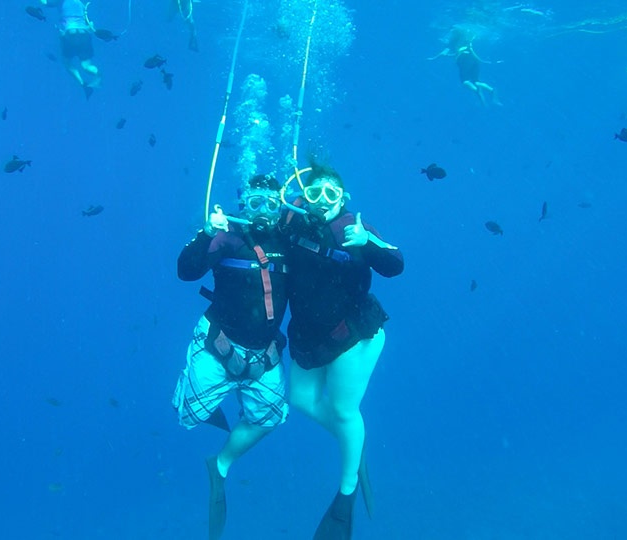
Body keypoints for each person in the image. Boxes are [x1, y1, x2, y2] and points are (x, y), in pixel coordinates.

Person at [279, 163, 404, 539]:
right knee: (300, 399)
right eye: (315, 193)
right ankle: (354, 443)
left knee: (343, 410)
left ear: (343, 199)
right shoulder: (290, 225)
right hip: (309, 336)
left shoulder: (353, 230)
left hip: (354, 335)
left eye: (331, 194)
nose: (323, 202)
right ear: (304, 197)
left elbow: (395, 264)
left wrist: (367, 241)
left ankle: (345, 497)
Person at [173, 174, 289, 540]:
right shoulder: (226, 237)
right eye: (255, 203)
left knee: (271, 417)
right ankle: (208, 396)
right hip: (218, 347)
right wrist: (207, 232)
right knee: (187, 415)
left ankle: (219, 463)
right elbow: (186, 271)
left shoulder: (288, 241)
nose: (262, 212)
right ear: (243, 203)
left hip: (265, 355)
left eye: (271, 204)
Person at [41, 0, 102, 97]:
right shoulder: (80, 3)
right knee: (86, 66)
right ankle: (98, 75)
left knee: (67, 63)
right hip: (84, 34)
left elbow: (44, 3)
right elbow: (88, 22)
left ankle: (82, 83)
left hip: (70, 34)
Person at [429, 27, 500, 106]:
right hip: (474, 60)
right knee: (476, 81)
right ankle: (491, 90)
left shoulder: (452, 42)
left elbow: (444, 53)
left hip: (464, 61)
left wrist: (433, 58)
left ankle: (476, 90)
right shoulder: (467, 39)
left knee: (465, 81)